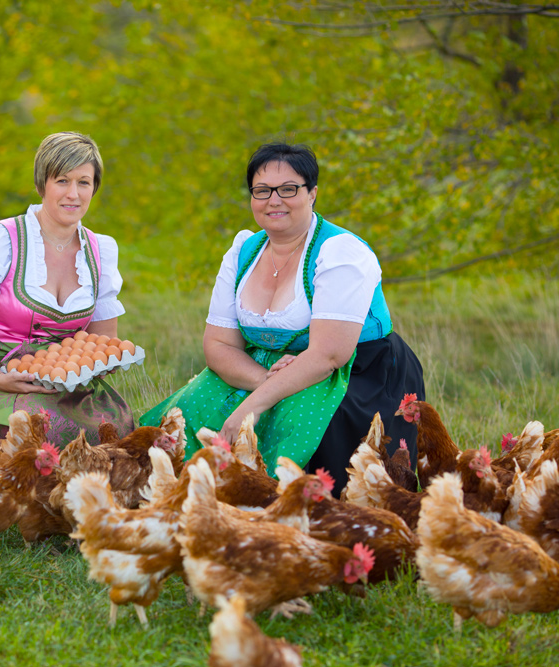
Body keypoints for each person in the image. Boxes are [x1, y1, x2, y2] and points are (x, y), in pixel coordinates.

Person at [140, 142, 424, 491]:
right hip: (264, 367)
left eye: (288, 189)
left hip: (354, 371)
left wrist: (255, 405)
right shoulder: (243, 251)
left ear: (312, 193)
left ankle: (268, 503)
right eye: (262, 191)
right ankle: (178, 493)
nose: (274, 200)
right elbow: (217, 344)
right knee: (187, 411)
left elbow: (329, 355)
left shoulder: (341, 252)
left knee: (295, 421)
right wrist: (264, 383)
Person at [0, 131, 134, 446]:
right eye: (62, 181)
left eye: (83, 182)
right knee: (45, 433)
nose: (73, 194)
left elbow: (103, 341)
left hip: (66, 384)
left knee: (119, 429)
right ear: (42, 183)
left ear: (94, 187)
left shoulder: (100, 252)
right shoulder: (0, 241)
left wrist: (98, 363)